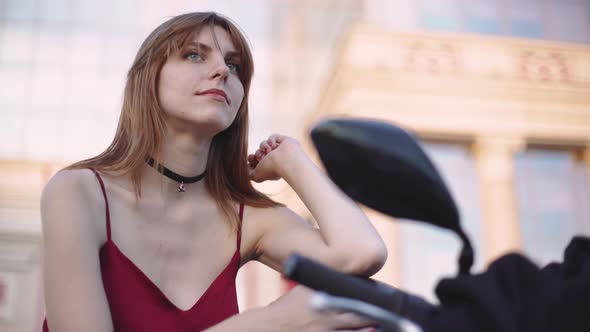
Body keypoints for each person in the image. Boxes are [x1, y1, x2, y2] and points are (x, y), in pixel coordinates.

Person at [41, 12, 387, 332]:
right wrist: (268, 323)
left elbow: (362, 253)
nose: (222, 70)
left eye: (234, 66)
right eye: (194, 54)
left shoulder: (247, 218)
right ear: (149, 77)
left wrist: (291, 159)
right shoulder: (78, 192)